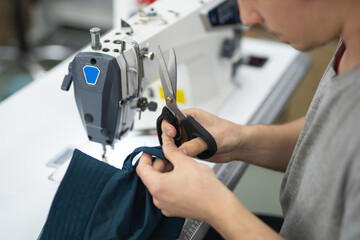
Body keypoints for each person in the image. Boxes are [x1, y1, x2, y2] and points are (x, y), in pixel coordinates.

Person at [136, 0, 360, 238]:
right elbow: (333, 139)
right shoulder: (351, 41)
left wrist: (215, 207)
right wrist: (239, 140)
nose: (246, 18)